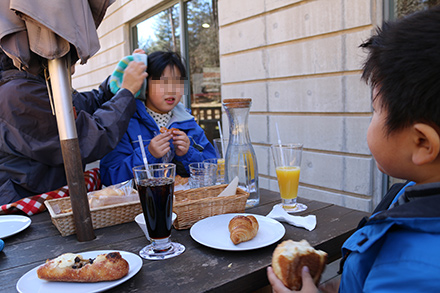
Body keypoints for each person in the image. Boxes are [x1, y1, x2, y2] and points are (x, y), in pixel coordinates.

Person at [267, 6, 440, 293]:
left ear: (422, 143)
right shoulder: (411, 193)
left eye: (374, 110)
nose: (370, 121)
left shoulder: (417, 270)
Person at [0, 48, 148, 205]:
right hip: (24, 205)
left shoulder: (32, 86)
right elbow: (86, 140)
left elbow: (85, 103)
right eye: (70, 62)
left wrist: (117, 81)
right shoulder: (19, 95)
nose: (73, 70)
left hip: (39, 194)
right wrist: (127, 92)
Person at [99, 51, 216, 186]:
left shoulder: (189, 124)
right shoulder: (125, 124)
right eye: (163, 83)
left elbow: (212, 170)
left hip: (185, 204)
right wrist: (149, 154)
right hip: (139, 205)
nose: (171, 90)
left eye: (177, 83)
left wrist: (188, 153)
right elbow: (110, 177)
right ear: (145, 86)